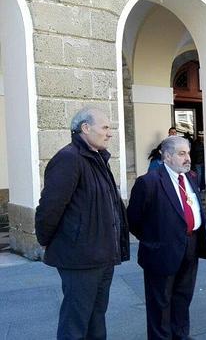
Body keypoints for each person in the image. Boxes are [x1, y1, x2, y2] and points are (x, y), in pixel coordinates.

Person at [35, 107, 130, 340]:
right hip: (80, 258)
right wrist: (46, 240)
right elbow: (50, 207)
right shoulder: (68, 158)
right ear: (85, 128)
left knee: (96, 318)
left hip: (102, 255)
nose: (110, 133)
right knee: (75, 322)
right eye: (105, 127)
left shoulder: (97, 158)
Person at [127, 135, 206, 340]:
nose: (187, 158)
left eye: (188, 153)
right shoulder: (149, 182)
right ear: (166, 156)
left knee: (183, 295)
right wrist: (154, 241)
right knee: (160, 302)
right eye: (182, 153)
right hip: (162, 250)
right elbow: (133, 220)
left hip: (191, 245)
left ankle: (180, 334)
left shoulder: (190, 177)